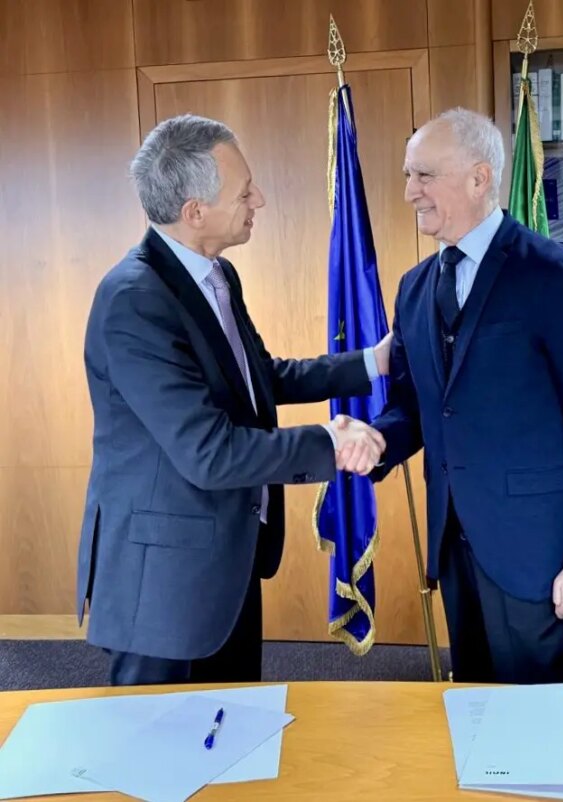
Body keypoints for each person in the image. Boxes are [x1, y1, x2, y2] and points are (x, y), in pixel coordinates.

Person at [76, 114, 390, 686]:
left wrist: (371, 362)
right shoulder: (134, 301)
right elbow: (208, 451)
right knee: (158, 735)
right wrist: (329, 442)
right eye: (244, 192)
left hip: (228, 549)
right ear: (194, 211)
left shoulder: (216, 275)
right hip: (164, 579)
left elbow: (257, 380)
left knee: (232, 721)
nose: (259, 200)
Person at [341, 108, 563, 684]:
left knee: (536, 715)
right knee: (474, 702)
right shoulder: (413, 287)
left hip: (537, 551)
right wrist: (377, 439)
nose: (409, 192)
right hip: (453, 547)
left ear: (479, 178)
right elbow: (417, 406)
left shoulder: (557, 276)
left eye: (424, 176)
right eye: (407, 175)